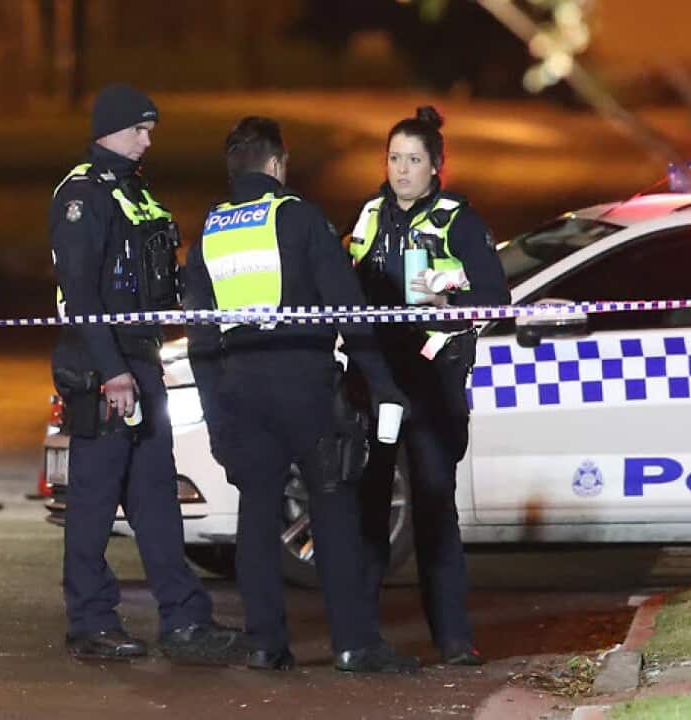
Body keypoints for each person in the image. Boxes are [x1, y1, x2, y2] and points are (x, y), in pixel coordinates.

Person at [184, 116, 417, 673]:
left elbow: (200, 338)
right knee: (334, 513)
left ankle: (266, 645)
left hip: (241, 392)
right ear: (276, 164)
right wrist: (382, 385)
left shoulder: (210, 231)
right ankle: (354, 644)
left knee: (257, 520)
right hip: (306, 389)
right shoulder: (300, 217)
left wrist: (218, 418)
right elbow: (349, 310)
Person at [49, 83, 241, 663]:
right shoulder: (82, 196)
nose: (149, 138)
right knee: (94, 500)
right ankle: (90, 621)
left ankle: (185, 622)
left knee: (156, 499)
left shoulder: (136, 193)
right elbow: (79, 292)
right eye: (141, 128)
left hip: (143, 360)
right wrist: (110, 371)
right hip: (102, 367)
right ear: (111, 129)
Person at [347, 105, 511, 666]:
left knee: (434, 508)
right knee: (369, 508)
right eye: (394, 158)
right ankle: (360, 638)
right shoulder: (370, 215)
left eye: (414, 160)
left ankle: (453, 639)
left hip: (433, 379)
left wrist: (449, 302)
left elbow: (495, 298)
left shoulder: (457, 219)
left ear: (437, 165)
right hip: (376, 381)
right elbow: (348, 285)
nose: (402, 170)